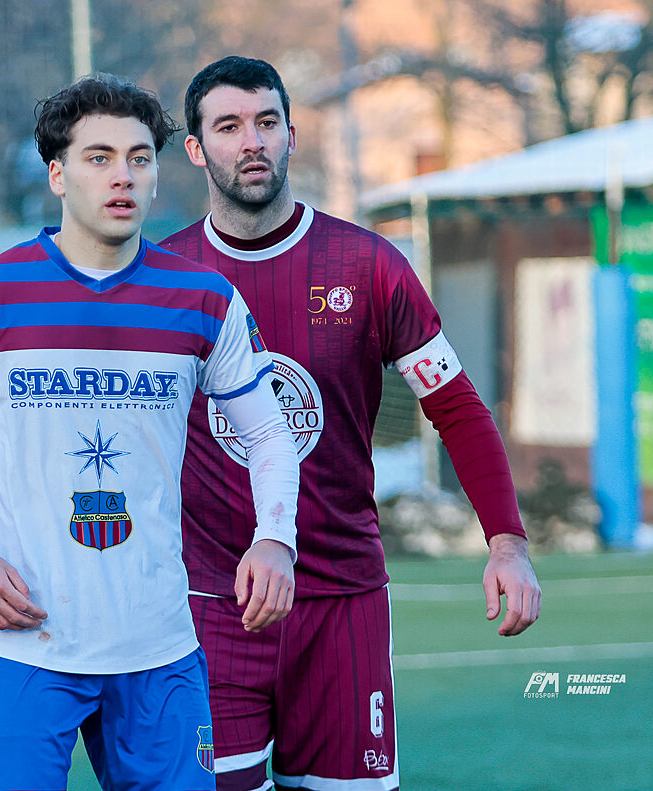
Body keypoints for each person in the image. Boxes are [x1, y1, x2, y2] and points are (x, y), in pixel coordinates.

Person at [0, 73, 300, 791]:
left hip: (158, 647)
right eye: (99, 157)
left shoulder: (206, 299)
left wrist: (275, 536)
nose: (123, 176)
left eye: (140, 158)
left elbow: (270, 433)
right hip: (25, 645)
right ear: (57, 175)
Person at [162, 56, 543, 791]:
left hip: (341, 605)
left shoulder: (367, 265)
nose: (252, 141)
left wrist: (507, 542)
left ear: (292, 135)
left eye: (267, 122)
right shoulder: (165, 278)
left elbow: (457, 407)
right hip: (208, 608)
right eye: (229, 126)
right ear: (196, 149)